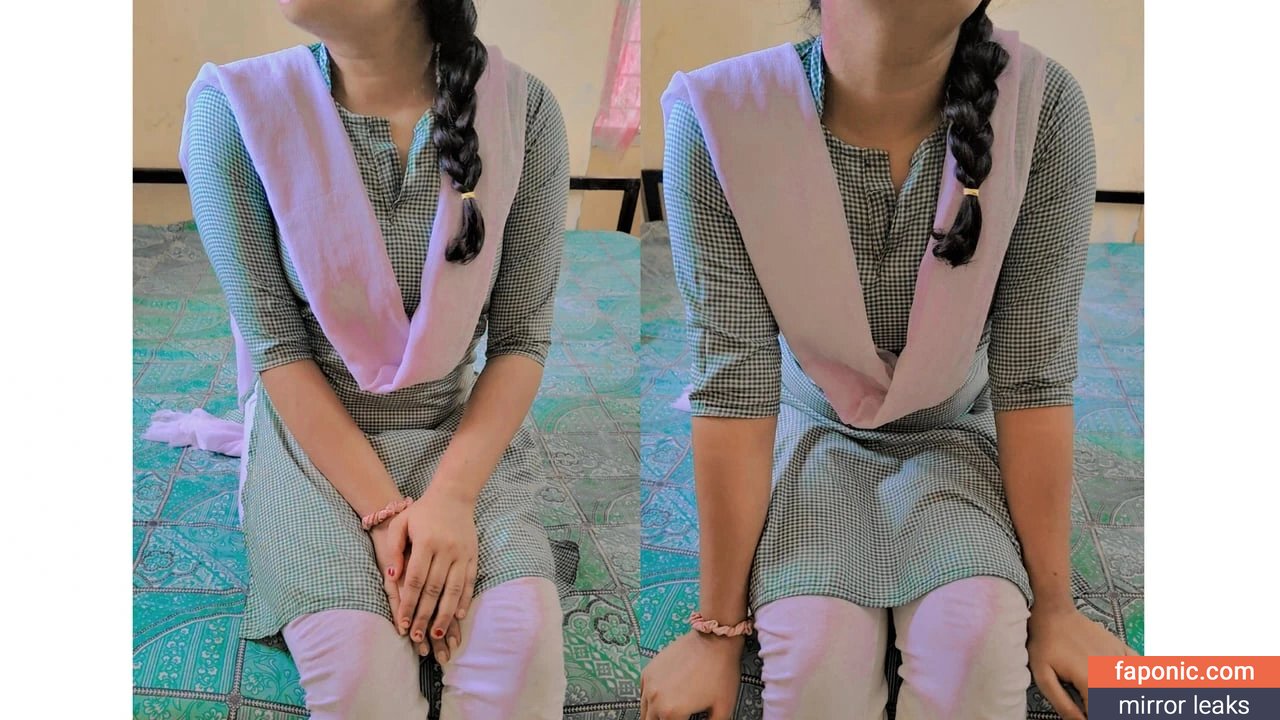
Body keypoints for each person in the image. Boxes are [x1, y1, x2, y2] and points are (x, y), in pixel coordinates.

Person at [639, 1, 1136, 719]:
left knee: (974, 648)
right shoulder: (720, 118)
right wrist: (716, 628)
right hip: (807, 424)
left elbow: (1032, 374)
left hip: (957, 427)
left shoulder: (1042, 109)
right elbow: (735, 381)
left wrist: (1056, 606)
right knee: (815, 663)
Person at [168, 0, 570, 716]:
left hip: (455, 434)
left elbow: (520, 340)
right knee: (360, 680)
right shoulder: (234, 111)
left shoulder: (524, 113)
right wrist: (386, 516)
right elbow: (276, 348)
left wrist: (451, 499)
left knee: (521, 658)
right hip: (311, 447)